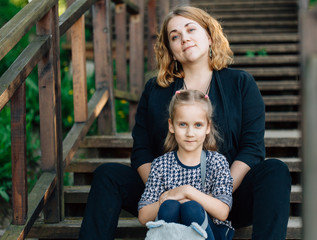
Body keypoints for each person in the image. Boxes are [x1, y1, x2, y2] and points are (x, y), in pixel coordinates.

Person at [79, 6, 291, 240]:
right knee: (107, 174)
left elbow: (252, 149)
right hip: (168, 200)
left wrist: (212, 196)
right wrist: (166, 193)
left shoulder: (241, 83)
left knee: (275, 171)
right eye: (175, 36)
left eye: (191, 29)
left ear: (209, 36)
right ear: (170, 49)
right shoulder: (155, 90)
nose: (184, 38)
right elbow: (142, 151)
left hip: (227, 200)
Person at [138, 89, 234, 240]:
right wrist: (168, 198)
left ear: (207, 127)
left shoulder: (217, 162)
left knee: (191, 208)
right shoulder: (161, 165)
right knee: (169, 207)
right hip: (173, 232)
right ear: (171, 125)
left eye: (197, 125)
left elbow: (222, 211)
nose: (190, 133)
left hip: (209, 233)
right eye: (183, 124)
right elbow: (143, 216)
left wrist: (187, 192)